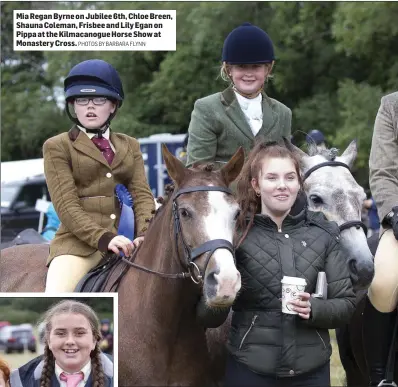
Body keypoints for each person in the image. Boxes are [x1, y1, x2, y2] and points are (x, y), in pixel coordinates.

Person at [199, 141, 356, 386]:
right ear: (256, 185)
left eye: (290, 177)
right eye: (271, 177)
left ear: (299, 184)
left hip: (312, 369)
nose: (282, 185)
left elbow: (346, 304)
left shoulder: (324, 233)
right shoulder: (236, 234)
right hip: (249, 369)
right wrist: (218, 300)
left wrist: (314, 309)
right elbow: (208, 319)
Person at [43, 59, 155, 292]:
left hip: (129, 242)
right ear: (73, 106)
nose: (89, 107)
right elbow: (66, 205)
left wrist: (144, 233)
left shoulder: (130, 145)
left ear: (113, 105)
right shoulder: (57, 146)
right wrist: (104, 238)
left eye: (98, 99)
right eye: (82, 100)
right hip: (78, 246)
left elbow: (142, 194)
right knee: (57, 295)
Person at [186, 23, 292, 167]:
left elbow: (286, 164)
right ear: (229, 69)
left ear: (267, 69)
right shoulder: (207, 109)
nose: (249, 73)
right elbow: (198, 169)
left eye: (256, 67)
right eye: (241, 66)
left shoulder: (283, 113)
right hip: (224, 189)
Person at [364, 91, 398, 387]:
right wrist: (393, 211)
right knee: (384, 281)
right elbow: (383, 170)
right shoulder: (392, 106)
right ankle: (381, 375)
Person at [9, 300, 113, 387]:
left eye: (80, 333)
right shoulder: (19, 381)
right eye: (61, 333)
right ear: (48, 340)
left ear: (94, 340)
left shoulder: (120, 373)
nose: (70, 341)